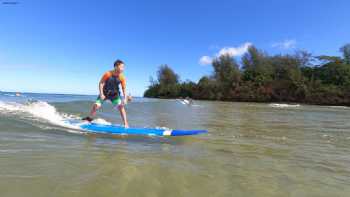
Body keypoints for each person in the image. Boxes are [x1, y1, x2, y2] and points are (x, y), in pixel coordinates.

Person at [83, 59, 131, 128]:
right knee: (96, 105)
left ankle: (126, 124)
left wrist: (125, 98)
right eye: (122, 67)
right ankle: (89, 118)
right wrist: (101, 93)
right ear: (116, 67)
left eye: (123, 67)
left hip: (114, 95)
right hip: (105, 93)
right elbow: (101, 83)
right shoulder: (108, 74)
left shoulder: (122, 77)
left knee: (121, 107)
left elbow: (124, 88)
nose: (123, 69)